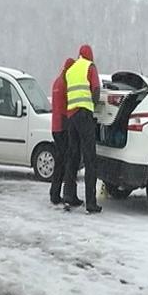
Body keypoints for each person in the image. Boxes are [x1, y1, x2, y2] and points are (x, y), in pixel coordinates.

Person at [63, 44, 102, 213]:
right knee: (89, 159)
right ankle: (91, 203)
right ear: (90, 55)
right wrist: (93, 105)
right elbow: (96, 90)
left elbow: (67, 92)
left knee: (73, 157)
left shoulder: (70, 70)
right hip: (84, 115)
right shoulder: (90, 67)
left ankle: (69, 196)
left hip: (71, 117)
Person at [49, 58, 75, 204]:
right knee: (63, 162)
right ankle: (57, 194)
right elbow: (66, 107)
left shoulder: (57, 82)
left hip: (55, 126)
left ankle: (54, 192)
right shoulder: (65, 84)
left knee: (59, 160)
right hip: (62, 126)